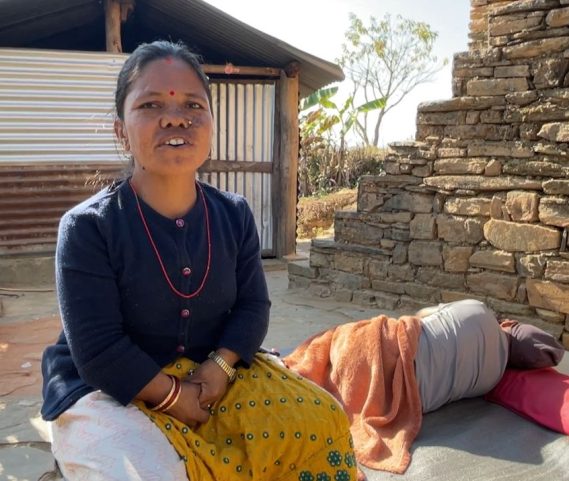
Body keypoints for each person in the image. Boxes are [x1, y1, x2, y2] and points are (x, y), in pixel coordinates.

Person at [41, 40, 356, 481]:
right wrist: (174, 397)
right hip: (108, 386)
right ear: (121, 131)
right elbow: (98, 350)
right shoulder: (88, 227)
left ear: (210, 124)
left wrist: (220, 367)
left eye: (193, 104)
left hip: (210, 370)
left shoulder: (234, 214)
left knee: (323, 421)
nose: (175, 117)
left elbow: (253, 307)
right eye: (151, 104)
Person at [414, 299, 565, 413]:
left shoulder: (478, 309)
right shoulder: (491, 382)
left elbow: (420, 314)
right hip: (408, 402)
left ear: (508, 324)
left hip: (403, 351)